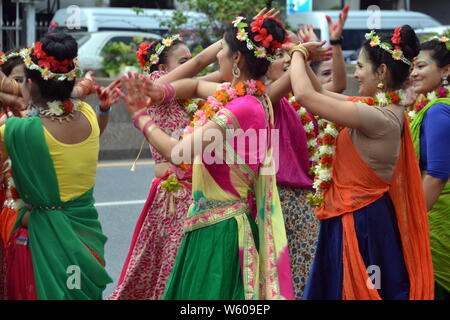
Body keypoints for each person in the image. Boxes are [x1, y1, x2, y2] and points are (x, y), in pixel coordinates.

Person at [117, 11, 297, 300]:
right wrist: (160, 90)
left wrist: (141, 117)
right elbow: (197, 85)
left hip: (221, 230)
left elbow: (178, 152)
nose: (218, 57)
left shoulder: (242, 108)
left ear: (236, 59)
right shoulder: (244, 96)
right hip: (208, 223)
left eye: (223, 50)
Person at [289, 25, 434, 299]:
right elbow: (318, 90)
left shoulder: (379, 118)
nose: (355, 74)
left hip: (362, 221)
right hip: (353, 216)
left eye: (360, 67)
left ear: (381, 72)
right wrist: (306, 60)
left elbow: (306, 96)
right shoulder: (374, 109)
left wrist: (296, 53)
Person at [110, 35, 223, 300]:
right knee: (171, 268)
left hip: (196, 194)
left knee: (188, 268)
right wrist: (228, 38)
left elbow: (217, 75)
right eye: (181, 61)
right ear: (160, 68)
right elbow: (199, 63)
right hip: (176, 195)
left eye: (187, 60)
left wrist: (243, 48)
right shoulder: (156, 87)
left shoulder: (182, 90)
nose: (190, 65)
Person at [1, 32, 112, 299]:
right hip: (85, 235)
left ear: (31, 85)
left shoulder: (17, 130)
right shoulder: (87, 113)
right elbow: (72, 99)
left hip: (40, 237)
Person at [409, 36, 450, 300]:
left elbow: (436, 176)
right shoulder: (430, 107)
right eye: (412, 67)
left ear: (446, 70)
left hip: (435, 224)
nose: (413, 72)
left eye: (422, 66)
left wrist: (409, 224)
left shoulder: (438, 112)